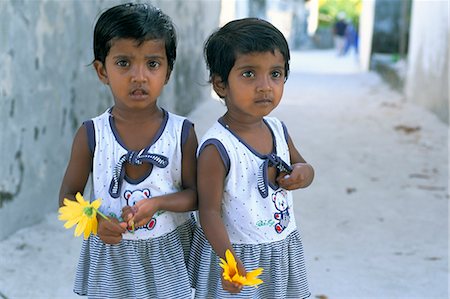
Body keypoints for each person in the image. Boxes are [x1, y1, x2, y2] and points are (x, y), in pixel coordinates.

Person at [59, 3, 198, 298]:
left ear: (168, 72)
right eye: (124, 63)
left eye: (152, 64)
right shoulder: (91, 135)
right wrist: (95, 222)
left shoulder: (181, 133)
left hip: (167, 256)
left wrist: (158, 203)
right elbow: (68, 198)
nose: (139, 76)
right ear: (101, 70)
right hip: (113, 258)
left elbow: (196, 196)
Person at [188, 18, 314, 298]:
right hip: (238, 253)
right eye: (249, 74)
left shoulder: (278, 129)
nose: (265, 86)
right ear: (220, 84)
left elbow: (303, 167)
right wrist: (229, 261)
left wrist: (302, 174)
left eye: (275, 74)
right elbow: (207, 212)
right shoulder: (217, 148)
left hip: (280, 246)